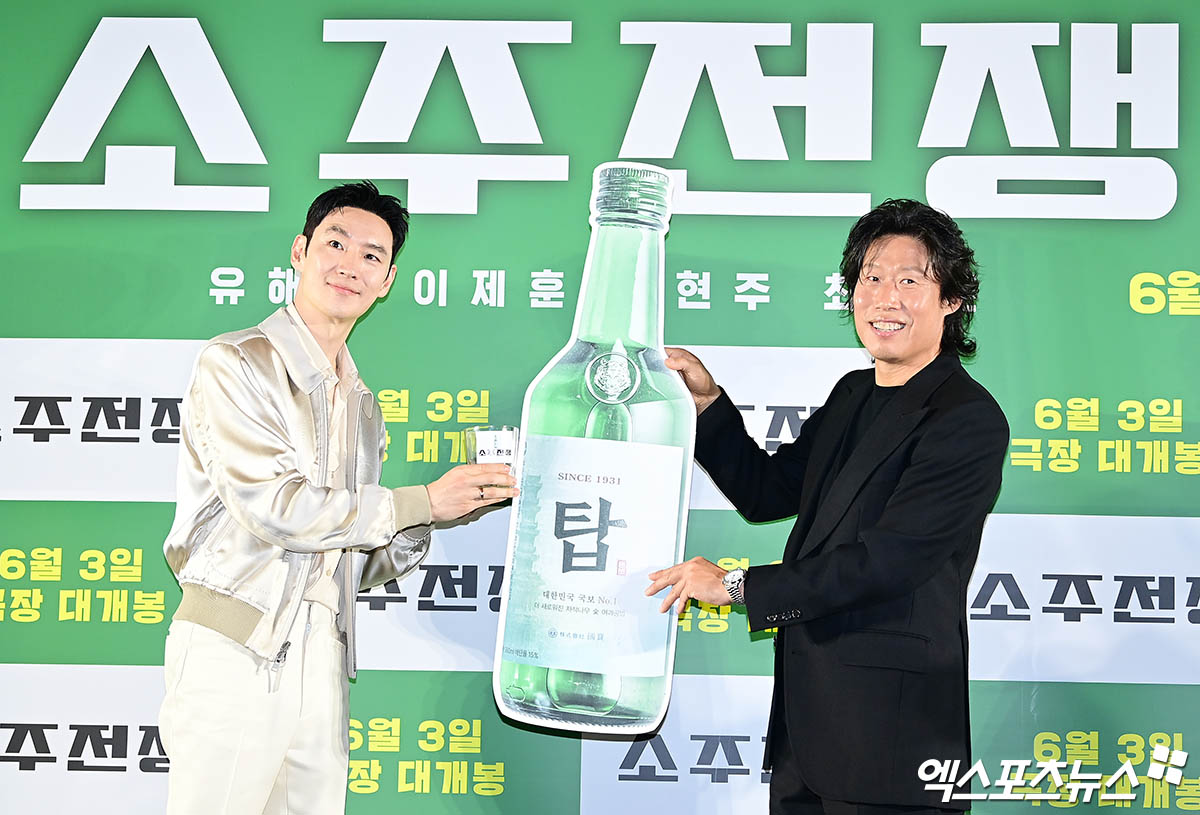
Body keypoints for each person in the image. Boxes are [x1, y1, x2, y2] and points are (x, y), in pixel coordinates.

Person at [158, 181, 517, 815]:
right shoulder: (236, 362)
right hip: (236, 642)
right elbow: (275, 508)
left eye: (373, 256)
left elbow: (355, 560)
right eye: (336, 243)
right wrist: (418, 502)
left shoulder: (363, 403)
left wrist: (446, 512)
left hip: (324, 649)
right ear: (300, 251)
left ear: (387, 281)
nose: (351, 265)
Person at [648, 199, 1009, 814]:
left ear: (951, 300)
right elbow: (767, 491)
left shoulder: (966, 419)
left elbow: (887, 563)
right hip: (807, 733)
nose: (885, 299)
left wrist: (736, 586)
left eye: (909, 281)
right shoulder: (853, 394)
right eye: (871, 278)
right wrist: (707, 404)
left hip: (892, 740)